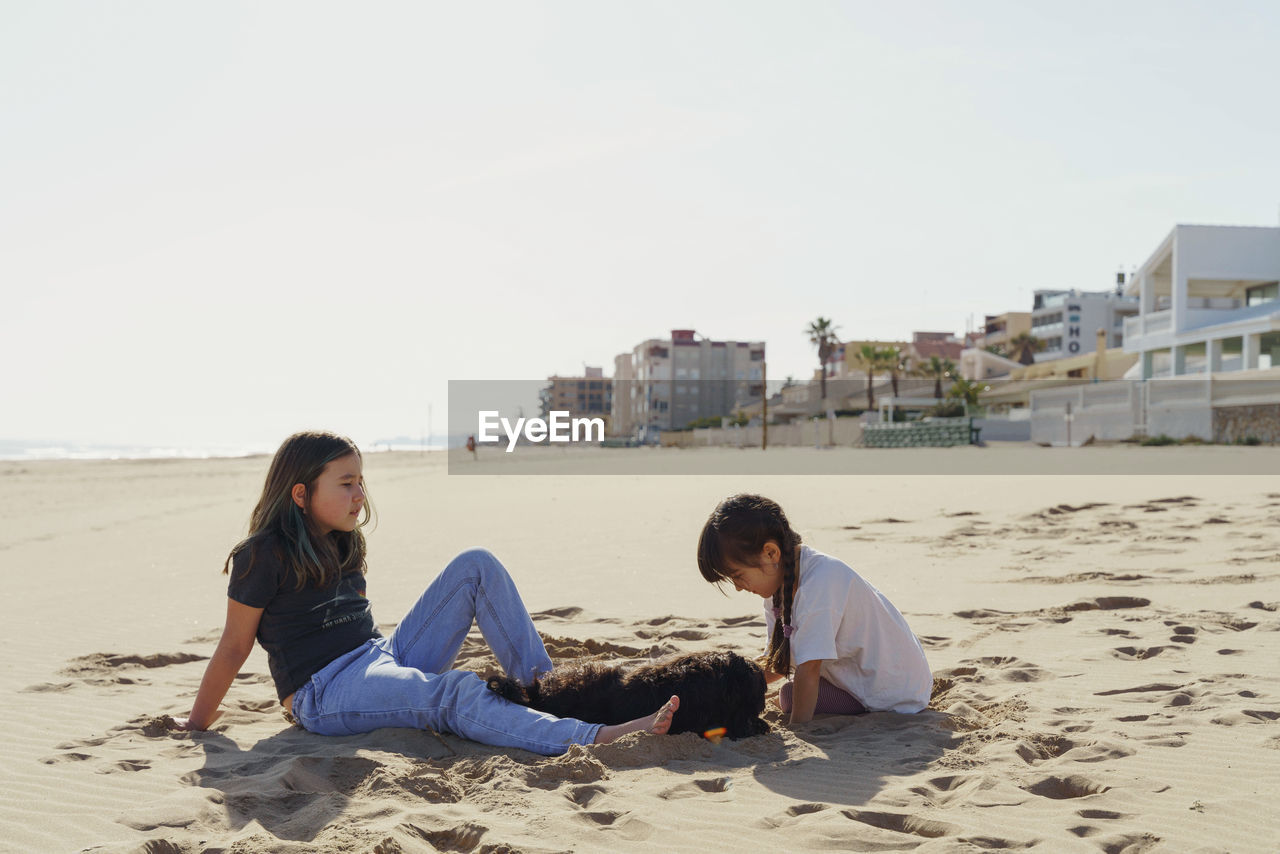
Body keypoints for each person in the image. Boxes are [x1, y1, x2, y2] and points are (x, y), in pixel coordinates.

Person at [174, 430, 677, 755]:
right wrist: (196, 723)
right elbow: (235, 646)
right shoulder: (262, 554)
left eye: (361, 482)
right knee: (456, 691)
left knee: (475, 565)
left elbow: (361, 632)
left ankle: (554, 697)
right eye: (346, 483)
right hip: (323, 693)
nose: (359, 495)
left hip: (378, 655)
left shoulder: (346, 540)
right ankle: (593, 737)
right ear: (301, 494)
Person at [696, 493, 930, 725]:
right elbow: (779, 662)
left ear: (771, 553)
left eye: (738, 576)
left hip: (895, 691)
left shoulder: (820, 583)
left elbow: (808, 670)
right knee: (788, 693)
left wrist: (798, 732)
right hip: (858, 674)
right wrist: (723, 690)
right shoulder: (778, 588)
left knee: (789, 697)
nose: (738, 588)